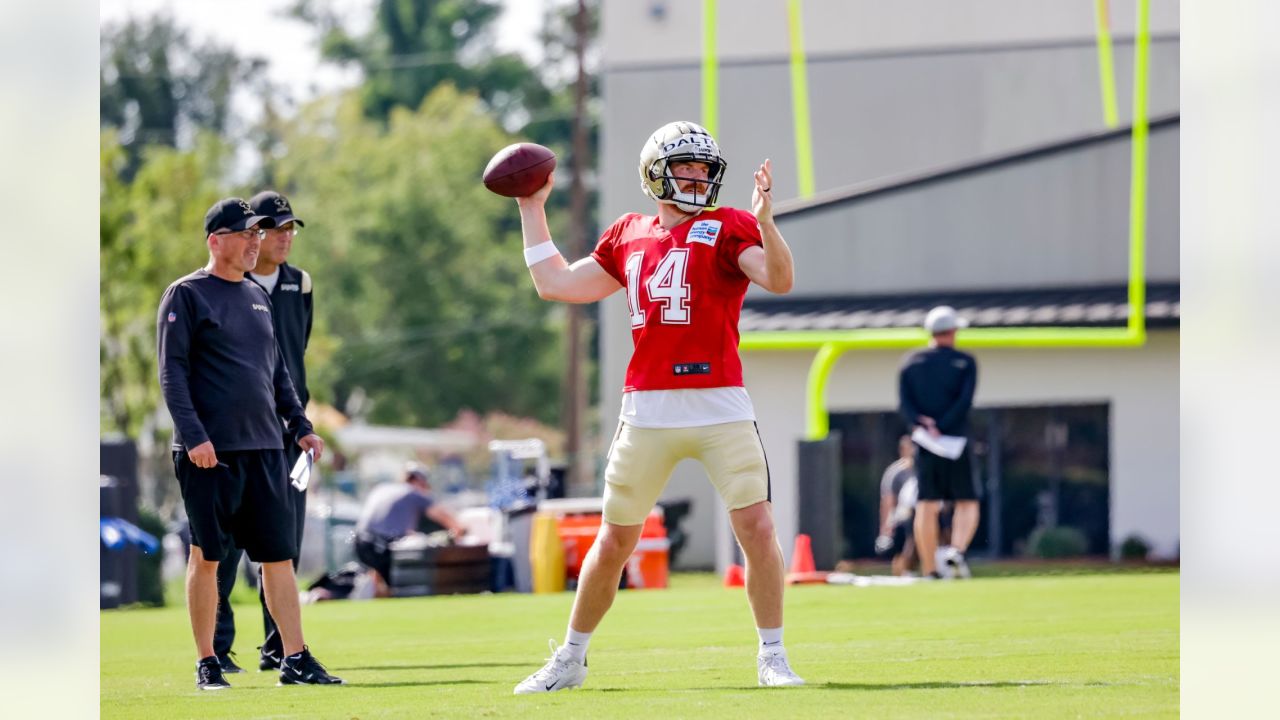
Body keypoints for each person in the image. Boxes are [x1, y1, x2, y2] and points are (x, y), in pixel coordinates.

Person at [510, 121, 804, 693]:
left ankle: (773, 654)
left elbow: (779, 279)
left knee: (758, 528)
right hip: (647, 408)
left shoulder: (728, 226)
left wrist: (767, 222)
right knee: (614, 540)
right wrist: (531, 206)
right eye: (684, 167)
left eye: (703, 168)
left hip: (720, 402)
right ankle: (570, 658)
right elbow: (557, 284)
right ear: (654, 174)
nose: (696, 177)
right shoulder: (628, 233)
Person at [157, 197, 342, 690]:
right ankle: (208, 662)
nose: (255, 241)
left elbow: (278, 372)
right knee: (207, 556)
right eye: (246, 234)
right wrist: (195, 436)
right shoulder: (186, 295)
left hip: (264, 449)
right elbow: (172, 373)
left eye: (258, 234)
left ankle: (295, 658)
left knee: (278, 558)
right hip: (209, 453)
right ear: (216, 241)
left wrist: (300, 425)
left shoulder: (258, 297)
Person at [212, 190, 315, 674]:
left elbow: (291, 359)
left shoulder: (302, 284)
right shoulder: (232, 283)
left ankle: (279, 646)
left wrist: (299, 421)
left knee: (281, 541)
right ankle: (218, 645)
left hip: (287, 432)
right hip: (237, 429)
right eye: (276, 228)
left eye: (291, 228)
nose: (284, 237)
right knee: (225, 546)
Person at [898, 305, 981, 580]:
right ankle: (955, 551)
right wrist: (943, 426)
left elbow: (905, 404)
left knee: (927, 502)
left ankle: (930, 568)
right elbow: (964, 402)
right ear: (953, 331)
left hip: (923, 442)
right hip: (956, 440)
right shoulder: (965, 362)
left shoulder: (910, 362)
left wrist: (925, 425)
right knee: (967, 500)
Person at [354, 463, 467, 598]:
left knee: (378, 579)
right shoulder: (413, 493)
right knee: (400, 587)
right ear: (420, 480)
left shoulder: (383, 488)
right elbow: (447, 519)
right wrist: (461, 532)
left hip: (360, 542)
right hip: (382, 545)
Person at [875, 435, 918, 577]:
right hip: (903, 517)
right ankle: (901, 574)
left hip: (922, 514)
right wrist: (886, 526)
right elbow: (888, 500)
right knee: (903, 547)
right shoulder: (895, 471)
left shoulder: (923, 468)